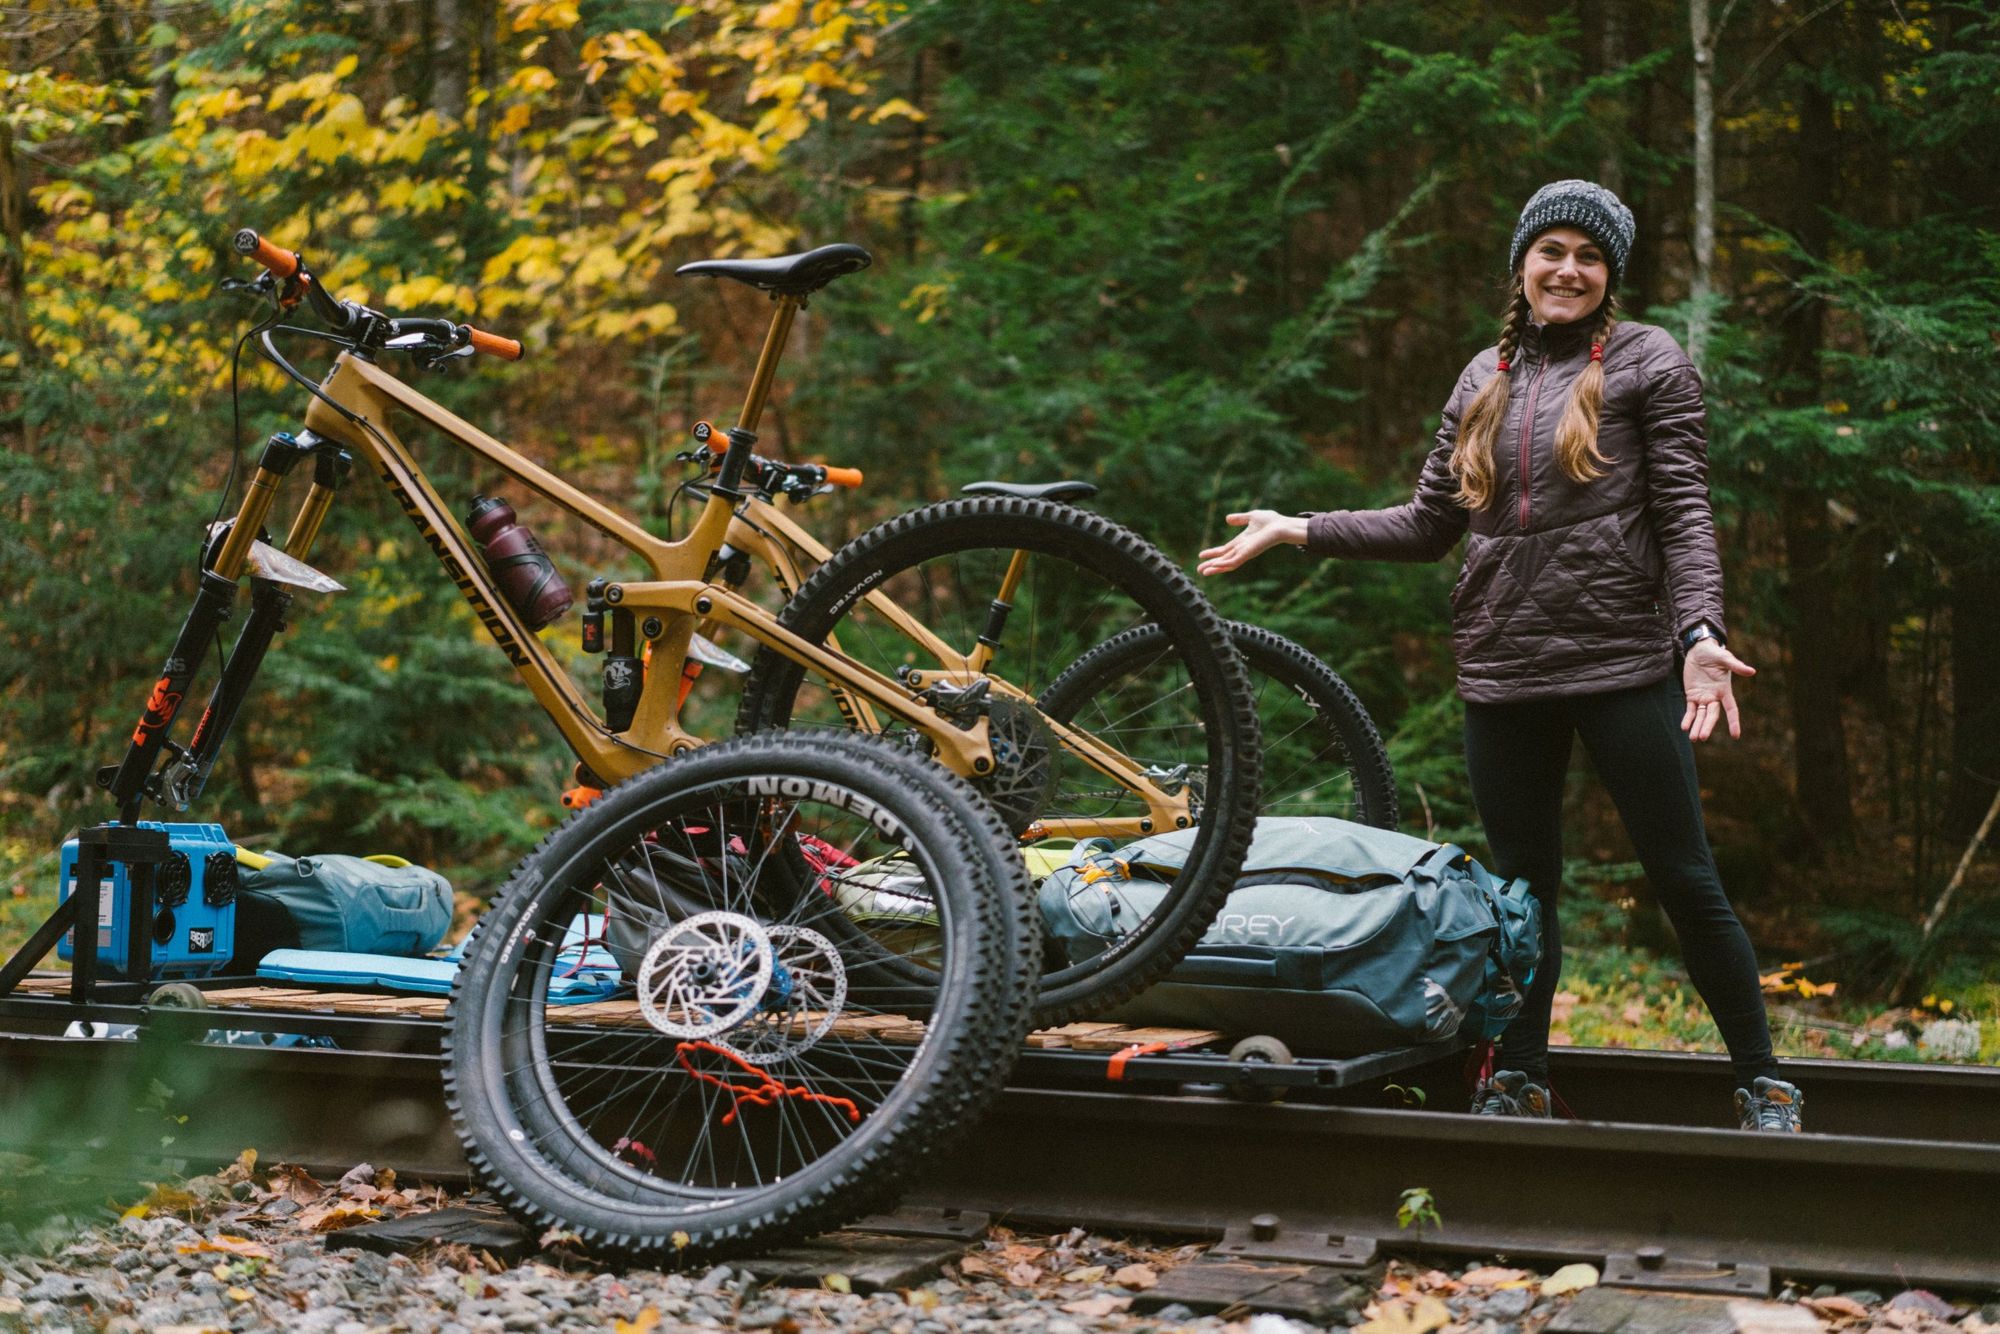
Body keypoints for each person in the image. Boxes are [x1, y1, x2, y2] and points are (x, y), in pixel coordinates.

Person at [1197, 180, 1802, 1132]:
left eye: (1589, 257)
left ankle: (1765, 1080)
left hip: (1623, 664)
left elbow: (1685, 514)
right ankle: (1520, 1075)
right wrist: (1298, 527)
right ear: (1522, 263)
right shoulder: (1483, 375)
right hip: (1503, 669)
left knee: (1683, 877)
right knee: (1524, 894)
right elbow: (1430, 522)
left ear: (1611, 277)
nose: (1569, 270)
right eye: (1552, 251)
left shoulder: (1648, 361)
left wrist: (1700, 635)